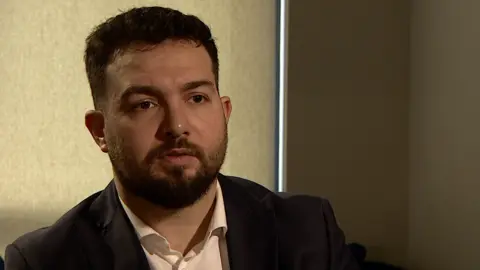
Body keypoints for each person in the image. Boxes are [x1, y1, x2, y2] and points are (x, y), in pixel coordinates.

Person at [5, 6, 359, 270]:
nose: (177, 125)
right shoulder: (45, 260)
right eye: (145, 104)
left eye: (196, 98)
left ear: (225, 112)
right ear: (100, 131)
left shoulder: (308, 232)